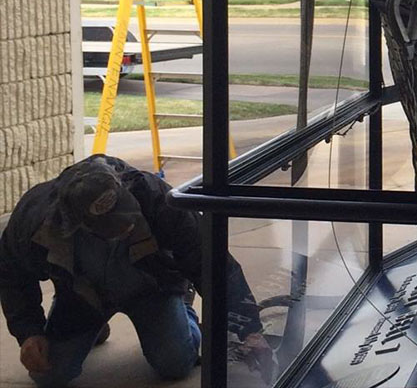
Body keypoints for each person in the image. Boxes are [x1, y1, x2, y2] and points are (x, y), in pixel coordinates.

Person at [0, 155, 272, 386]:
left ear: (123, 189)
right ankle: (92, 326)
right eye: (113, 225)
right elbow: (11, 274)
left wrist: (247, 328)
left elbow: (211, 261)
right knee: (49, 374)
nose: (127, 226)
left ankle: (182, 306)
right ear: (77, 224)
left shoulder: (155, 197)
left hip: (152, 288)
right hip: (83, 296)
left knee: (175, 364)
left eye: (125, 213)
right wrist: (30, 332)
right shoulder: (35, 220)